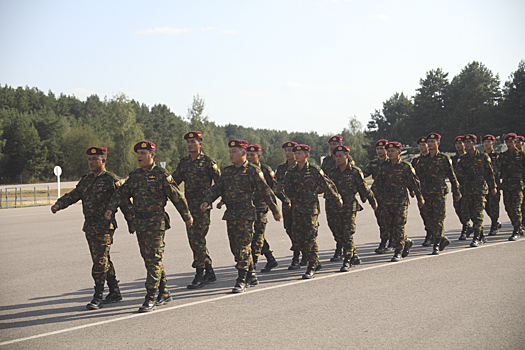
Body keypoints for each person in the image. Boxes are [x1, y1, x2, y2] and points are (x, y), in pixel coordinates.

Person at [104, 141, 193, 313]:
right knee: (150, 259)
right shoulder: (135, 176)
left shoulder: (161, 174)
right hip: (141, 223)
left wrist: (186, 216)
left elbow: (176, 196)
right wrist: (111, 208)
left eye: (143, 153)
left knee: (153, 258)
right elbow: (121, 193)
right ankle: (164, 291)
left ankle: (150, 296)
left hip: (156, 223)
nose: (139, 156)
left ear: (152, 155)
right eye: (137, 153)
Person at [51, 147, 134, 310]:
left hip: (105, 226)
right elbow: (74, 195)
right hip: (89, 226)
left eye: (94, 159)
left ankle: (98, 296)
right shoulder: (86, 180)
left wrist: (131, 221)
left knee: (99, 261)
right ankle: (115, 291)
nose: (91, 162)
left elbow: (123, 200)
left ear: (103, 161)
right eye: (89, 159)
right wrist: (59, 204)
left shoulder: (111, 179)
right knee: (102, 259)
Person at [200, 140, 282, 293]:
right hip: (231, 214)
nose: (231, 155)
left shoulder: (252, 171)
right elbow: (217, 188)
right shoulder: (227, 171)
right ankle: (251, 274)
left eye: (234, 152)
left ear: (243, 153)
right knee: (235, 248)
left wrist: (275, 210)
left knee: (244, 246)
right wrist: (206, 200)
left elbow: (266, 190)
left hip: (246, 214)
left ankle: (241, 278)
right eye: (230, 152)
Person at [274, 144, 342, 279]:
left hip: (310, 209)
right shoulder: (291, 171)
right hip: (297, 209)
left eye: (299, 153)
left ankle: (312, 265)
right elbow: (281, 186)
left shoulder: (314, 170)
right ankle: (314, 261)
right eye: (296, 153)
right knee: (298, 238)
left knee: (310, 237)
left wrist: (337, 197)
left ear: (306, 155)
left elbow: (327, 184)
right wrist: (278, 194)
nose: (296, 155)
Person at [173, 131, 221, 289]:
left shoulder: (208, 162)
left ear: (200, 143)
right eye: (187, 142)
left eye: (193, 141)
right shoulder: (184, 163)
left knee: (198, 239)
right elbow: (173, 182)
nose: (189, 144)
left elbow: (220, 183)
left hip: (202, 208)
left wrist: (209, 200)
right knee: (194, 241)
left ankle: (199, 274)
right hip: (189, 208)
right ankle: (210, 271)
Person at [328, 145, 377, 272]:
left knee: (348, 233)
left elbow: (364, 187)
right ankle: (353, 255)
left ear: (347, 157)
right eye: (336, 156)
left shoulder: (355, 171)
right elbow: (327, 187)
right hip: (335, 207)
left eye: (340, 156)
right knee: (339, 235)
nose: (337, 158)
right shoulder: (332, 172)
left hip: (350, 206)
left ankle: (347, 260)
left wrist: (372, 201)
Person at [374, 142, 424, 262]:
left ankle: (398, 251)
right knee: (389, 227)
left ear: (399, 152)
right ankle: (405, 241)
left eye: (392, 151)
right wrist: (372, 197)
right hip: (387, 201)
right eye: (389, 151)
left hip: (401, 201)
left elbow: (414, 183)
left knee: (399, 225)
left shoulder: (405, 166)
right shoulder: (384, 166)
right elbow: (377, 183)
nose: (390, 153)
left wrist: (419, 197)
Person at [415, 133, 461, 255]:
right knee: (428, 218)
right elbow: (416, 177)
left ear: (438, 143)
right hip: (425, 193)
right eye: (428, 142)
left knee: (439, 218)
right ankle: (441, 237)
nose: (429, 144)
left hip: (439, 192)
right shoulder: (422, 160)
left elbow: (452, 176)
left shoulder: (444, 158)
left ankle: (436, 244)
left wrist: (456, 191)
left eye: (432, 142)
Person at [456, 134, 497, 247]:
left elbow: (490, 172)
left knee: (478, 213)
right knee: (468, 214)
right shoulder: (462, 159)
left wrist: (493, 186)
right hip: (467, 190)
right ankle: (481, 234)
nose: (466, 144)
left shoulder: (483, 157)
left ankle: (476, 237)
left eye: (468, 142)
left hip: (480, 189)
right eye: (465, 142)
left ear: (474, 143)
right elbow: (458, 174)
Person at [245, 144, 280, 273]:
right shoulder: (245, 170)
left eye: (252, 155)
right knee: (254, 234)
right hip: (248, 207)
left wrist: (273, 204)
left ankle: (252, 263)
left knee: (258, 234)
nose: (249, 157)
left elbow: (273, 187)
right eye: (248, 155)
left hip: (261, 206)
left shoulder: (265, 169)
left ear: (258, 156)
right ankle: (270, 258)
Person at [321, 135, 356, 262]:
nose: (332, 147)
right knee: (333, 226)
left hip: (345, 198)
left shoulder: (348, 159)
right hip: (331, 199)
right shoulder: (326, 161)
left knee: (346, 228)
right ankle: (341, 245)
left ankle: (346, 251)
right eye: (330, 145)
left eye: (335, 145)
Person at [274, 141, 303, 270]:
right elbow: (277, 187)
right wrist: (285, 200)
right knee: (289, 228)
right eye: (285, 151)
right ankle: (299, 249)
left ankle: (298, 256)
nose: (287, 153)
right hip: (288, 205)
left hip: (302, 204)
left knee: (300, 230)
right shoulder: (281, 169)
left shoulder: (302, 167)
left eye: (290, 151)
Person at [363, 139, 390, 254]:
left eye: (381, 148)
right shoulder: (373, 164)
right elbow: (362, 175)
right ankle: (385, 241)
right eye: (377, 149)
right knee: (381, 220)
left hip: (392, 196)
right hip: (378, 196)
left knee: (393, 220)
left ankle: (393, 240)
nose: (379, 151)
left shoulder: (392, 163)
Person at [498, 133, 525, 241]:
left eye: (511, 142)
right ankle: (517, 225)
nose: (509, 144)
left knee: (516, 208)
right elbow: (496, 168)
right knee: (508, 208)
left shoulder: (522, 155)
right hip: (506, 186)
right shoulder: (503, 155)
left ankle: (516, 229)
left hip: (518, 186)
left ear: (515, 142)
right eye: (507, 142)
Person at [411, 136, 432, 247]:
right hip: (422, 191)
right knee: (425, 214)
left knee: (436, 214)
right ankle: (429, 233)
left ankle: (436, 235)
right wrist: (412, 189)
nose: (422, 147)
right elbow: (412, 177)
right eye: (420, 145)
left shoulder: (433, 158)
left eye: (424, 144)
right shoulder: (416, 161)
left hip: (435, 191)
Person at [451, 136, 473, 240]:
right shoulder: (453, 159)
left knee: (466, 209)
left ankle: (466, 227)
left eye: (460, 143)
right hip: (456, 188)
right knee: (457, 208)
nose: (458, 146)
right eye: (456, 144)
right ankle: (467, 226)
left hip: (468, 187)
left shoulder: (469, 157)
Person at [482, 134, 502, 236]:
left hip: (494, 184)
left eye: (488, 142)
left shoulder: (498, 155)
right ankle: (496, 222)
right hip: (484, 185)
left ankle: (494, 224)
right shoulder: (481, 156)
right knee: (486, 205)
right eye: (485, 142)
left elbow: (499, 168)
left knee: (494, 205)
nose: (486, 144)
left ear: (493, 143)